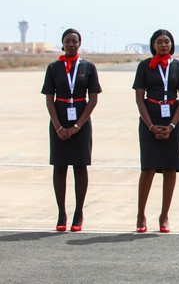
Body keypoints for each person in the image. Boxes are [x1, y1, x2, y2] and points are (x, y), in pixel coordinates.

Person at [41, 28, 102, 232]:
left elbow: (93, 100)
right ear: (62, 44)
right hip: (58, 120)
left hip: (81, 122)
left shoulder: (88, 67)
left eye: (74, 41)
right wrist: (58, 126)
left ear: (79, 44)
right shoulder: (53, 68)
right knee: (59, 167)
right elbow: (49, 99)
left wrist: (77, 126)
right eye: (67, 41)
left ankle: (78, 213)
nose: (71, 44)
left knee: (80, 166)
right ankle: (61, 213)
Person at [133, 29, 179, 233]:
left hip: (173, 121)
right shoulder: (144, 66)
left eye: (167, 42)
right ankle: (141, 214)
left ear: (172, 44)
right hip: (150, 119)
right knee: (147, 168)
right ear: (153, 45)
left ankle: (164, 215)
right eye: (159, 42)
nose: (164, 45)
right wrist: (150, 125)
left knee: (170, 168)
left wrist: (172, 125)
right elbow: (139, 98)